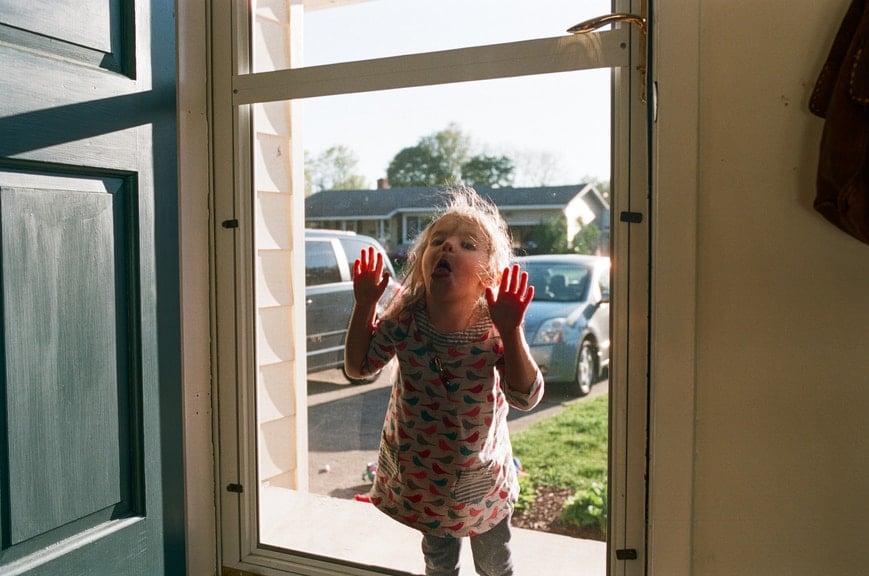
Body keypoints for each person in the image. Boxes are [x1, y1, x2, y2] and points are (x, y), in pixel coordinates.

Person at [345, 186, 544, 576]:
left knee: (494, 565)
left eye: (466, 244)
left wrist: (512, 330)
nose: (447, 247)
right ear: (421, 261)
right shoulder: (406, 315)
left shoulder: (494, 326)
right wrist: (365, 304)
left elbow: (527, 396)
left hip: (480, 478)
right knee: (438, 565)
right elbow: (359, 366)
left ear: (490, 271)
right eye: (438, 241)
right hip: (424, 478)